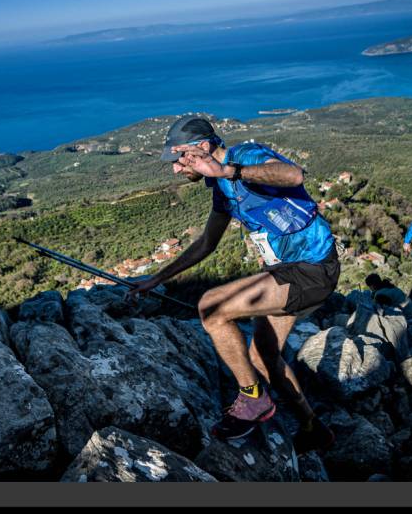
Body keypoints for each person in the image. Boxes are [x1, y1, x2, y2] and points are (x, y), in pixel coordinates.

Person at [127, 115, 338, 451]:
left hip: (311, 269)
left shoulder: (246, 157)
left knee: (212, 307)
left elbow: (293, 175)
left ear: (203, 148)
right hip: (287, 272)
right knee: (263, 355)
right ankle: (313, 427)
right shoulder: (222, 191)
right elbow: (206, 243)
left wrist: (229, 171)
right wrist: (156, 278)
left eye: (181, 158)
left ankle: (253, 399)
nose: (177, 169)